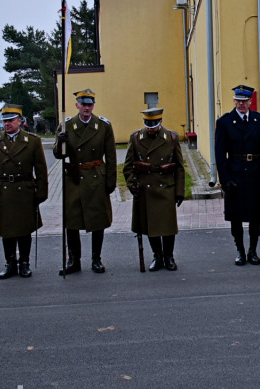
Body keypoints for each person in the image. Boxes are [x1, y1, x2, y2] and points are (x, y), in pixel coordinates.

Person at [0, 104, 49, 279]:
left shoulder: (32, 141)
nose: (7, 124)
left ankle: (24, 262)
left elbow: (40, 169)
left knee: (25, 229)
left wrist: (42, 192)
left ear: (20, 121)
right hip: (3, 191)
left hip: (24, 190)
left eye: (11, 120)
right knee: (6, 229)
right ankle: (10, 263)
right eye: (5, 121)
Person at [53, 88, 116, 274]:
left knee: (98, 220)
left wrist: (110, 181)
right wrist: (60, 141)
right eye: (83, 104)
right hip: (74, 178)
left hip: (96, 177)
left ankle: (96, 259)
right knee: (71, 222)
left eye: (89, 104)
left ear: (93, 105)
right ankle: (74, 260)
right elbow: (58, 155)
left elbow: (111, 156)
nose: (86, 108)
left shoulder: (103, 125)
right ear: (77, 105)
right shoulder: (66, 125)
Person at [215, 85, 260, 266]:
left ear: (250, 102)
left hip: (255, 173)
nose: (241, 104)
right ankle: (240, 250)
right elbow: (219, 154)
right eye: (238, 100)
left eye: (244, 101)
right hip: (235, 174)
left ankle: (253, 250)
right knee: (236, 216)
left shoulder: (259, 120)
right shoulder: (225, 122)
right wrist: (224, 179)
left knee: (256, 216)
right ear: (234, 101)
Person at [123, 107, 186, 270]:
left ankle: (169, 256)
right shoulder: (136, 138)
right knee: (151, 225)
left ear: (161, 122)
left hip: (166, 187)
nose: (151, 128)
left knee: (167, 225)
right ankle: (157, 256)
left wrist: (179, 192)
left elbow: (179, 167)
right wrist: (132, 184)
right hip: (146, 187)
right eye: (148, 125)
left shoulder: (171, 138)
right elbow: (128, 166)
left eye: (154, 124)